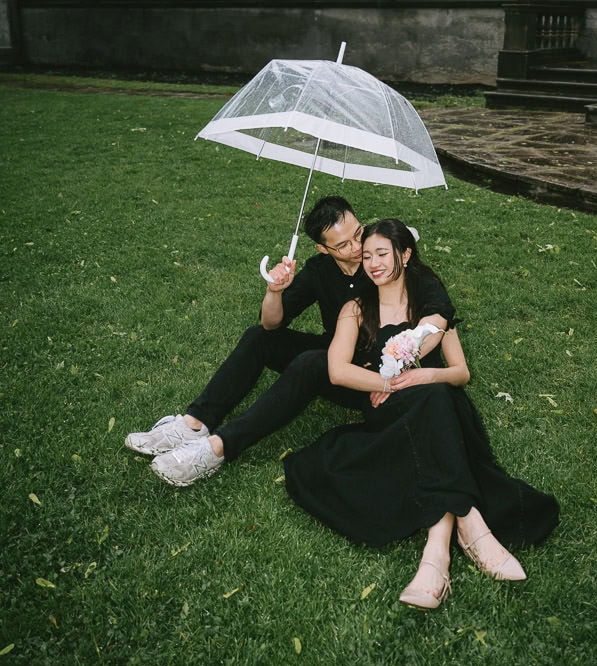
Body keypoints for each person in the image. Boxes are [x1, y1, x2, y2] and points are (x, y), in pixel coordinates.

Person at [283, 219, 560, 609]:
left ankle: (437, 555)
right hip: (388, 410)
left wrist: (426, 373)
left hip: (435, 402)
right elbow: (337, 371)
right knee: (435, 401)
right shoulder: (356, 308)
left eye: (382, 253)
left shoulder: (430, 307)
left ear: (406, 254)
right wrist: (388, 384)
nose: (373, 263)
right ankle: (471, 525)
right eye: (366, 256)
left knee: (436, 395)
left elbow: (460, 373)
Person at [125, 197, 455, 487]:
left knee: (312, 363)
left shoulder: (389, 264)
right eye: (343, 245)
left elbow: (439, 314)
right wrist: (275, 290)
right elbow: (271, 322)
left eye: (358, 233)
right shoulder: (319, 270)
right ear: (323, 249)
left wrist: (392, 373)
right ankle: (194, 423)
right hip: (337, 356)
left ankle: (219, 447)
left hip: (376, 375)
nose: (357, 248)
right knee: (260, 338)